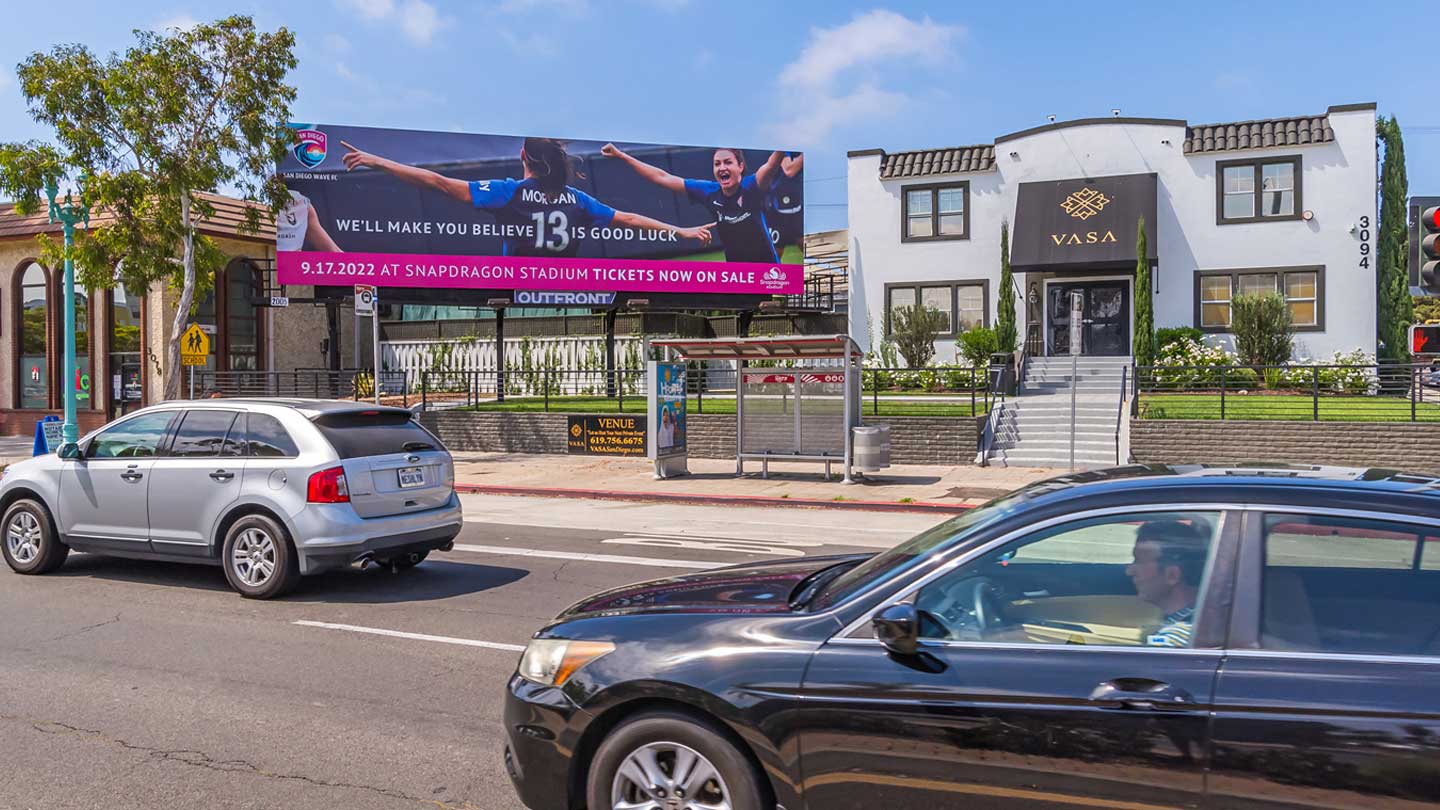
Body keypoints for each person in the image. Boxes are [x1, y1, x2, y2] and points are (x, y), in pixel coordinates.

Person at [340, 138, 712, 257]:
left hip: (517, 287)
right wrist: (682, 232)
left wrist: (378, 160)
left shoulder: (510, 192)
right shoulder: (578, 199)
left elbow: (437, 183)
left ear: (524, 159)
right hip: (569, 292)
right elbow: (629, 219)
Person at [601, 144, 786, 263]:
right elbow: (661, 177)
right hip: (736, 277)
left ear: (740, 166)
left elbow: (771, 165)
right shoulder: (708, 191)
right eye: (717, 164)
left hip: (767, 275)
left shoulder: (752, 185)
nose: (722, 167)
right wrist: (622, 156)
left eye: (728, 162)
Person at [1125, 518, 1211, 647]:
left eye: (1139, 562)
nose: (1129, 571)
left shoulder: (1173, 640)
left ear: (1172, 575)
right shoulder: (1197, 622)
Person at [276, 188, 342, 252]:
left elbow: (334, 251)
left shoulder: (301, 202)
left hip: (294, 261)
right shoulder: (268, 205)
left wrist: (350, 261)